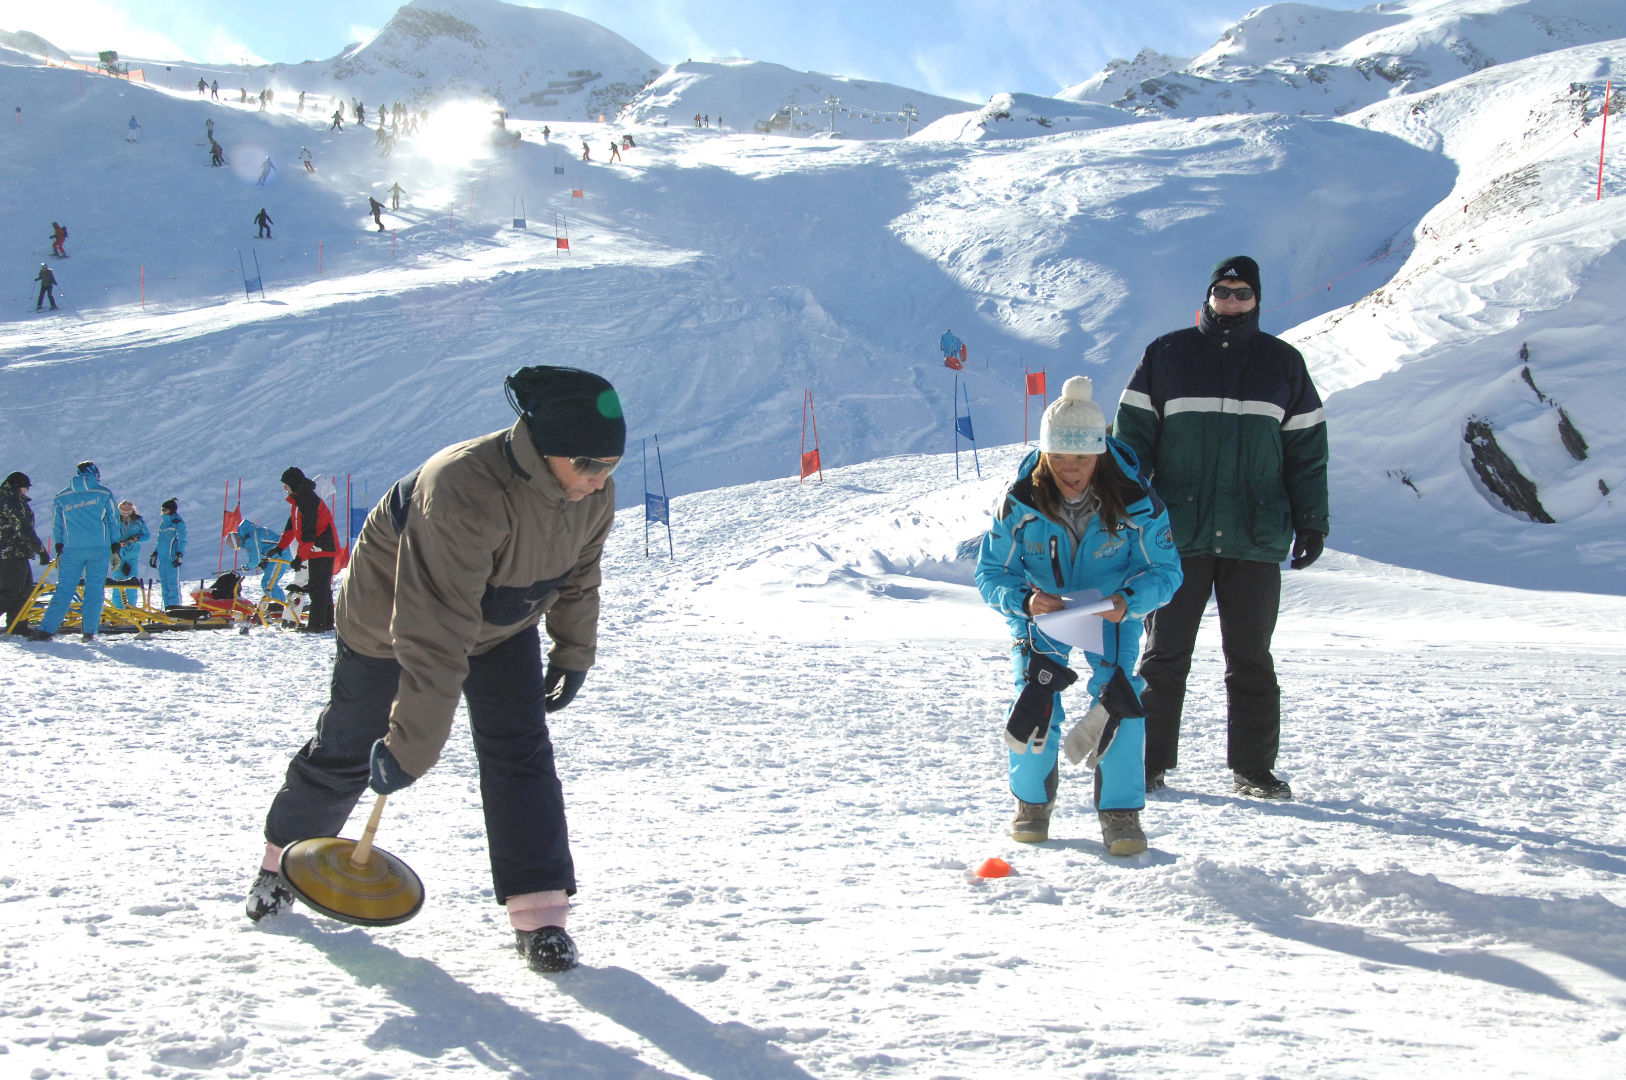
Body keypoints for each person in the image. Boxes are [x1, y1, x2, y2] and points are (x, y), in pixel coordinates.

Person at [245, 365, 624, 976]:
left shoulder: (592, 491)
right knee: (352, 741)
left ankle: (540, 913)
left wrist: (573, 651)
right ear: (543, 446)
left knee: (519, 749)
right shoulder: (460, 486)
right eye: (586, 464)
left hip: (501, 622)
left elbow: (579, 576)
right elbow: (435, 628)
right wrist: (411, 747)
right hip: (393, 623)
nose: (597, 479)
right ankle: (280, 862)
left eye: (607, 466)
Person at [1113, 255, 1329, 801]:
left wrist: (1311, 521)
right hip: (1177, 536)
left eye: (1242, 293)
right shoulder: (1167, 355)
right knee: (1163, 656)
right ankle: (1148, 762)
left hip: (1255, 536)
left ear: (1256, 299)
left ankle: (1253, 770)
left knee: (1251, 657)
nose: (1231, 301)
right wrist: (1129, 512)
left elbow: (1307, 451)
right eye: (1223, 291)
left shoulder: (1283, 363)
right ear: (1208, 296)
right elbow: (1131, 443)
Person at [976, 377, 1182, 852]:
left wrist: (1129, 600)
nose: (1071, 471)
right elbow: (991, 573)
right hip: (1042, 616)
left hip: (1111, 616)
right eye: (1061, 459)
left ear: (1100, 454)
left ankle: (1121, 814)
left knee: (1120, 702)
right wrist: (1026, 601)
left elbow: (1166, 570)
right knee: (1034, 702)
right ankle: (1031, 804)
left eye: (1083, 459)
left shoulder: (1137, 502)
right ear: (1046, 455)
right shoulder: (1018, 502)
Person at [39, 462, 119, 641]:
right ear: (95, 474)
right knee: (94, 590)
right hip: (99, 548)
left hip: (71, 549)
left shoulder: (62, 497)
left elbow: (57, 525)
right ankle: (89, 632)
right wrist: (115, 548)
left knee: (65, 589)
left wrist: (59, 548)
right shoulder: (103, 493)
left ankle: (46, 630)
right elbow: (113, 521)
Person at [274, 467, 338, 632]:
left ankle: (317, 625)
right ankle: (327, 622)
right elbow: (291, 527)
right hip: (318, 548)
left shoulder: (308, 500)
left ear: (293, 484)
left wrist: (299, 558)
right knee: (321, 586)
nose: (284, 488)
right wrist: (279, 547)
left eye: (286, 484)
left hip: (323, 547)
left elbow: (309, 533)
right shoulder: (298, 501)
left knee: (317, 587)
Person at [0, 472, 51, 639]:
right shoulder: (11, 500)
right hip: (10, 553)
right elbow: (23, 528)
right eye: (26, 488)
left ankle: (18, 625)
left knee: (24, 589)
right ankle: (17, 625)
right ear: (18, 487)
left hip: (16, 552)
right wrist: (41, 550)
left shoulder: (8, 498)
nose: (27, 491)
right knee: (12, 590)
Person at [231, 518, 291, 609]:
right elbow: (264, 547)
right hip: (281, 553)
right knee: (271, 582)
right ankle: (281, 605)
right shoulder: (251, 531)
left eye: (234, 545)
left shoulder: (249, 537)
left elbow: (255, 559)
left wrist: (247, 567)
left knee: (268, 583)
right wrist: (263, 561)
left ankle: (277, 607)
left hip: (280, 554)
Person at [108, 500, 150, 609]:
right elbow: (108, 535)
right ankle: (118, 609)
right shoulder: (114, 521)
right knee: (118, 583)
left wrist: (136, 539)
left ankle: (131, 609)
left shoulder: (138, 521)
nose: (125, 513)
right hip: (118, 555)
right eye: (123, 510)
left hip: (132, 556)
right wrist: (117, 543)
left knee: (131, 583)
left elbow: (147, 536)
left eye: (127, 510)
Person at [152, 499, 187, 609]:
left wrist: (179, 555)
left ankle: (175, 607)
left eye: (165, 509)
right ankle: (167, 607)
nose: (163, 512)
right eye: (162, 510)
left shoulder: (177, 523)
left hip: (172, 558)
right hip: (163, 559)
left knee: (172, 584)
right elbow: (160, 541)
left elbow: (182, 540)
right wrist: (155, 553)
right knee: (164, 584)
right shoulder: (163, 524)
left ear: (171, 510)